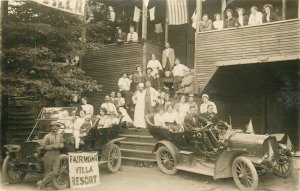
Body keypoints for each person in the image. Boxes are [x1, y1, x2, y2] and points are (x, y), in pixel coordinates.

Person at [37, 121, 64, 189]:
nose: (55, 128)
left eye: (57, 126)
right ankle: (48, 186)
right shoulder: (47, 136)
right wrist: (52, 146)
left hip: (57, 154)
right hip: (49, 154)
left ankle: (41, 183)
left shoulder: (59, 135)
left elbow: (62, 143)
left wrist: (61, 145)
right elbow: (44, 146)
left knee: (55, 172)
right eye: (53, 126)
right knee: (47, 171)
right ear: (51, 128)